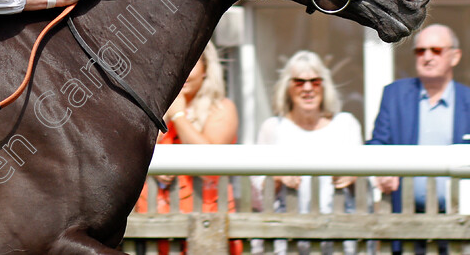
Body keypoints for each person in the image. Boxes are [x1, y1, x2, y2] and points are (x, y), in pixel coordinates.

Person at [367, 24, 469, 255]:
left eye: (436, 50)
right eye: (421, 51)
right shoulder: (394, 95)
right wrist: (382, 169)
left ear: (455, 56)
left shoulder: (468, 100)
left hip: (459, 223)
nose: (427, 57)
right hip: (405, 222)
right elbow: (377, 144)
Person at [135, 42, 242, 255]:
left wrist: (179, 116)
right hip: (150, 228)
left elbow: (208, 166)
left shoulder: (222, 108)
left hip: (206, 228)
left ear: (206, 69)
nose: (181, 71)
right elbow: (132, 156)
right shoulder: (150, 110)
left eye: (190, 64)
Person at [253, 50, 362, 255]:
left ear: (324, 85)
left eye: (315, 81)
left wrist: (355, 177)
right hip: (286, 241)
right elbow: (258, 197)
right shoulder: (273, 128)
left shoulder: (346, 124)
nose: (308, 88)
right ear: (288, 88)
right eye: (299, 82)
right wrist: (277, 179)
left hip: (339, 241)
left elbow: (367, 190)